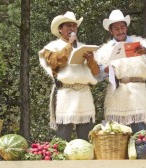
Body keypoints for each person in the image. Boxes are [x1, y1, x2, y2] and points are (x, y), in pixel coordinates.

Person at [95, 9, 146, 133]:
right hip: (116, 92)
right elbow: (98, 76)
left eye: (122, 27)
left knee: (139, 130)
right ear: (111, 30)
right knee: (116, 132)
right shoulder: (105, 50)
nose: (120, 31)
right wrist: (106, 70)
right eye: (116, 29)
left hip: (137, 92)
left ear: (126, 28)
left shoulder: (140, 43)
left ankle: (139, 152)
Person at [38, 11, 100, 141]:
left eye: (74, 26)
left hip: (84, 94)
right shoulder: (52, 47)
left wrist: (91, 60)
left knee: (85, 138)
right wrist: (70, 45)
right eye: (68, 26)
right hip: (64, 94)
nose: (72, 28)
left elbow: (95, 73)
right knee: (63, 138)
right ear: (60, 29)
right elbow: (53, 62)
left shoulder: (85, 47)